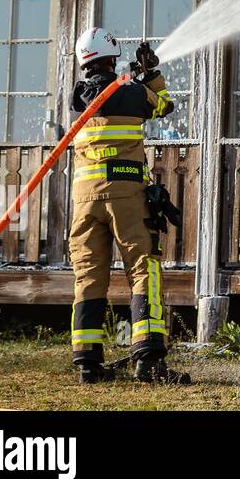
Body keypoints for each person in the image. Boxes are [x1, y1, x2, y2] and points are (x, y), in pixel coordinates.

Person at [68, 27, 184, 384]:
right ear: (112, 55)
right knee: (142, 267)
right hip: (125, 194)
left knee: (88, 275)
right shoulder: (133, 94)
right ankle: (148, 359)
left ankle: (88, 363)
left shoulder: (78, 99)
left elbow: (106, 96)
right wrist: (151, 74)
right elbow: (165, 106)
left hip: (84, 200)